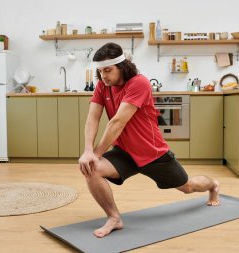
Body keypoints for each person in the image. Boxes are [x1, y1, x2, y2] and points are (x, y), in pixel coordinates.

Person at [78, 42, 220, 238]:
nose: (103, 76)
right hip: (125, 153)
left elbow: (117, 122)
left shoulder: (138, 83)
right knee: (91, 168)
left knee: (188, 187)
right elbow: (92, 118)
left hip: (152, 153)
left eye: (108, 70)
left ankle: (213, 185)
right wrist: (88, 151)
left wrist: (96, 153)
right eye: (100, 71)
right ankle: (114, 218)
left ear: (122, 66)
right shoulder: (103, 86)